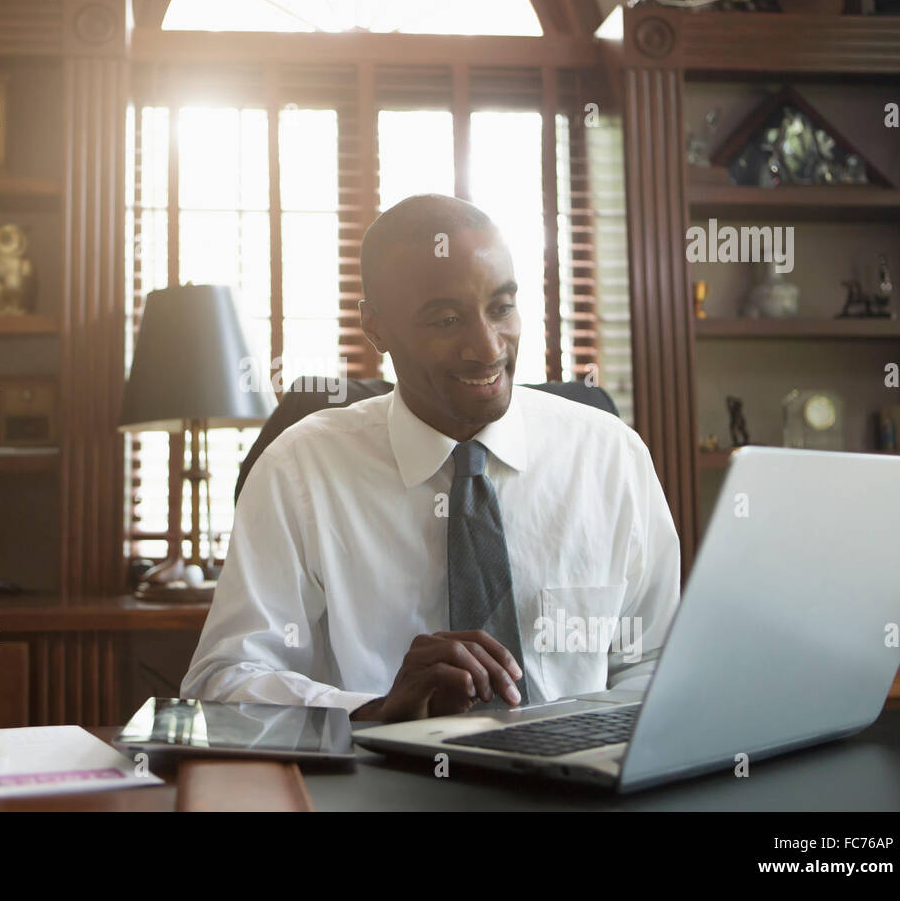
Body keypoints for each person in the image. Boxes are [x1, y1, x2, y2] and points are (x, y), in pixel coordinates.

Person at [181, 194, 680, 722]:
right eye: (446, 320)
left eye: (501, 308)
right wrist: (376, 711)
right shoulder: (299, 470)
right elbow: (223, 682)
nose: (487, 348)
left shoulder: (610, 456)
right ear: (376, 327)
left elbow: (656, 661)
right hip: (376, 787)